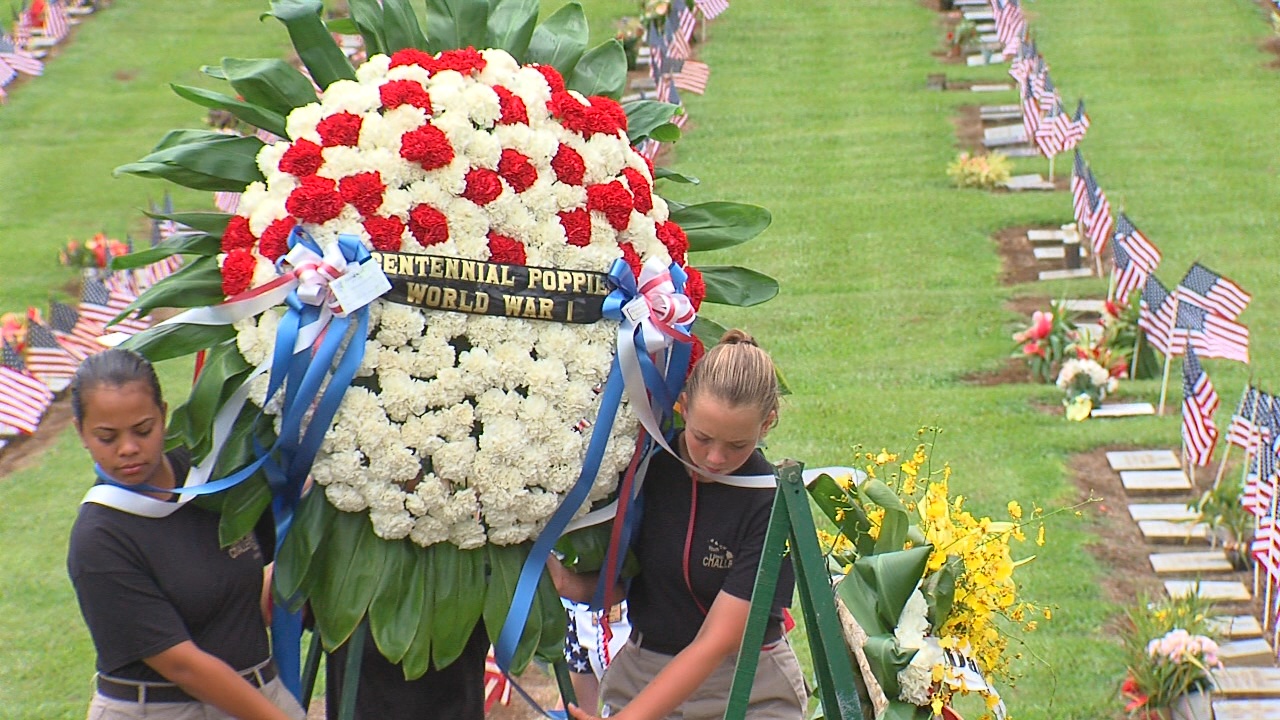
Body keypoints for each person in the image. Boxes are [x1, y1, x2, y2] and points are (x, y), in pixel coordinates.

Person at [554, 330, 808, 720]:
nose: (715, 458)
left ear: (768, 423)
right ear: (683, 406)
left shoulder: (770, 501)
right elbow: (632, 579)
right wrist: (569, 584)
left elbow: (715, 640)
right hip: (644, 676)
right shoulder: (644, 468)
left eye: (737, 445)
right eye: (702, 438)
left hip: (749, 689)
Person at [66, 348, 306, 720]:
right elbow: (183, 666)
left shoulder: (210, 474)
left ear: (163, 414)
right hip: (164, 710)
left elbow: (248, 582)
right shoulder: (99, 539)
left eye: (143, 430)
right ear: (80, 431)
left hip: (259, 693)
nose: (128, 448)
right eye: (107, 437)